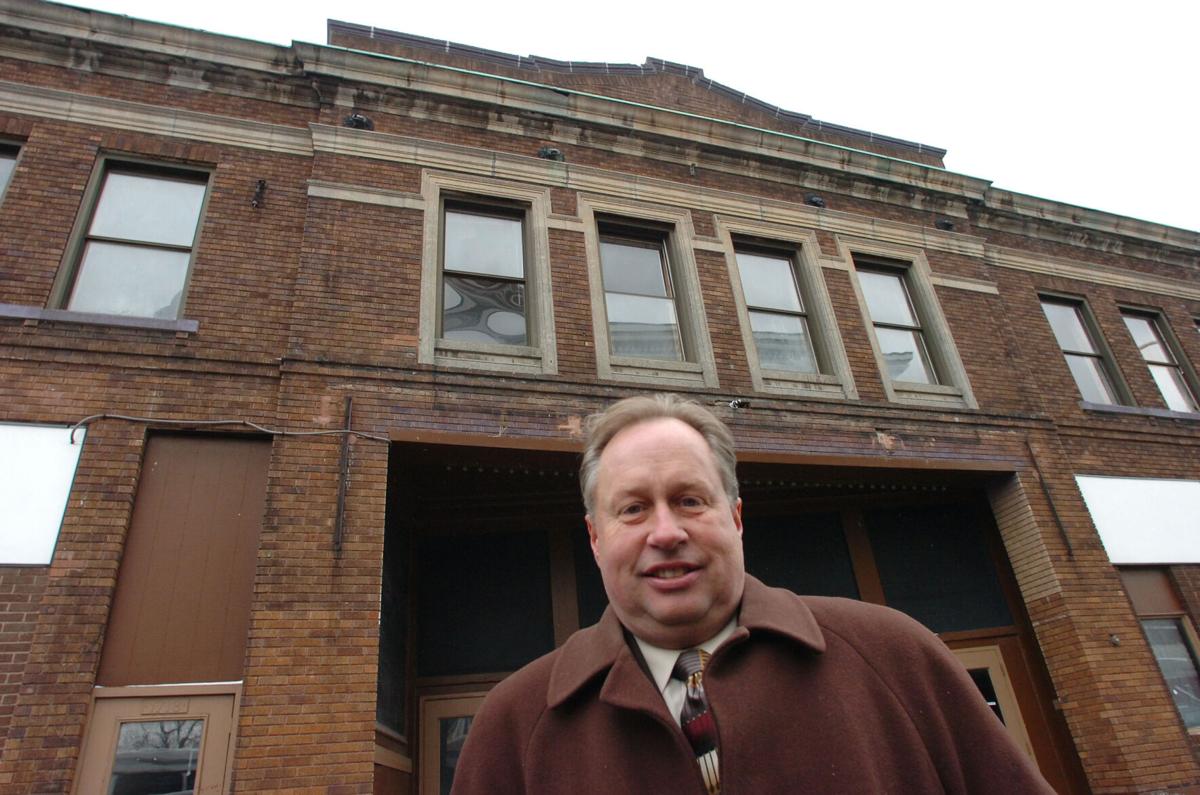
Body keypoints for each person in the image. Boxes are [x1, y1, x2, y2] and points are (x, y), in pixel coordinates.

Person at [451, 394, 1055, 794]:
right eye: (633, 509)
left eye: (690, 500)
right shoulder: (513, 725)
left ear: (736, 518)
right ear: (596, 537)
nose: (666, 532)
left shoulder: (895, 656)